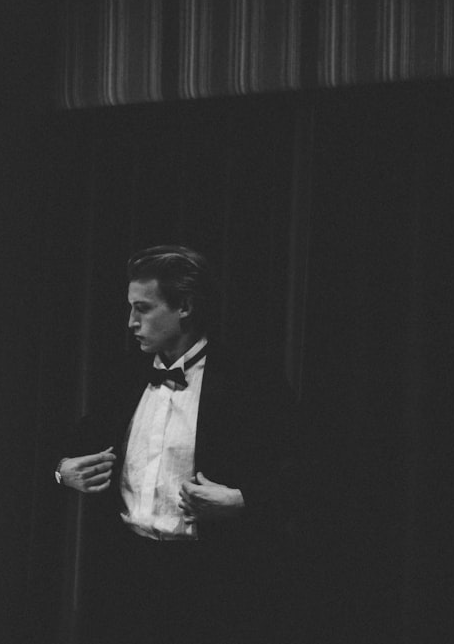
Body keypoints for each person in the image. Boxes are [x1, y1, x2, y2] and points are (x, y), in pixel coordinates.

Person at [54, 245, 295, 644]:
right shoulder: (124, 375)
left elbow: (308, 472)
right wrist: (62, 470)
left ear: (184, 306)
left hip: (213, 583)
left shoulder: (250, 381)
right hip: (126, 575)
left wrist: (243, 500)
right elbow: (73, 441)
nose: (130, 322)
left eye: (142, 309)